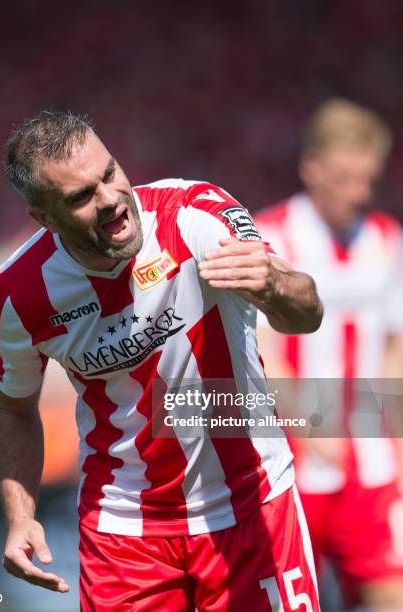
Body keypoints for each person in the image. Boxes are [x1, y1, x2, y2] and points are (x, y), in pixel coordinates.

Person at [0, 110, 323, 611]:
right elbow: (11, 408)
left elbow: (306, 313)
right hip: (124, 530)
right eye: (81, 197)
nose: (110, 200)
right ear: (45, 218)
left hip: (250, 503)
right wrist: (20, 513)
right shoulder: (18, 296)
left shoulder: (195, 215)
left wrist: (274, 286)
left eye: (109, 173)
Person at [255, 98, 403, 611]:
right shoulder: (268, 237)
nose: (358, 193)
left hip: (371, 469)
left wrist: (385, 429)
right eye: (345, 178)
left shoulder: (387, 239)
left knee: (391, 593)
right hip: (291, 465)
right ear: (311, 166)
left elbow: (394, 347)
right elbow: (260, 352)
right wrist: (313, 425)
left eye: (367, 180)